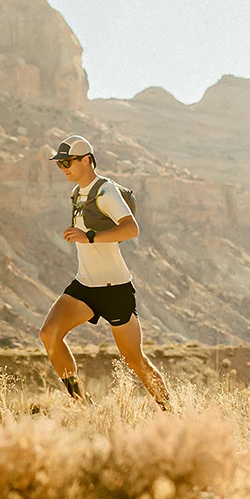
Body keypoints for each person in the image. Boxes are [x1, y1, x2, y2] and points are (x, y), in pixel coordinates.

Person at [37, 135, 170, 410]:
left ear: (86, 160)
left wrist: (89, 236)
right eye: (59, 163)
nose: (62, 168)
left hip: (115, 289)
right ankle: (83, 404)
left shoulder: (105, 191)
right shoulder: (77, 193)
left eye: (67, 162)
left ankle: (172, 412)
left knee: (134, 360)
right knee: (49, 334)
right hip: (85, 285)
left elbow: (131, 228)